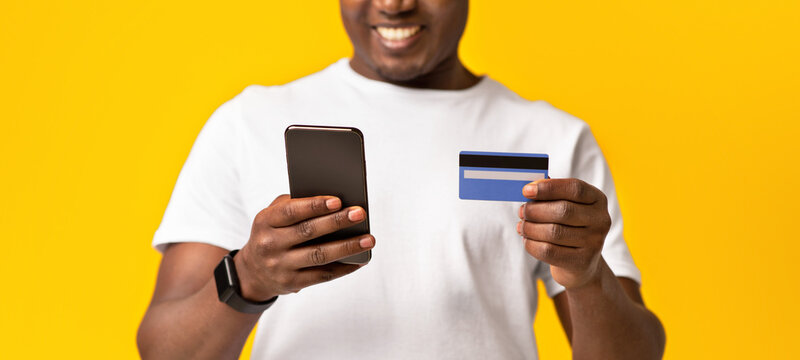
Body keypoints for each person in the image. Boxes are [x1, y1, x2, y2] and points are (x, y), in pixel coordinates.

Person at [137, 0, 666, 359]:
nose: (394, 3)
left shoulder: (552, 135)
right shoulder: (248, 121)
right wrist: (250, 277)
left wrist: (589, 277)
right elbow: (163, 349)